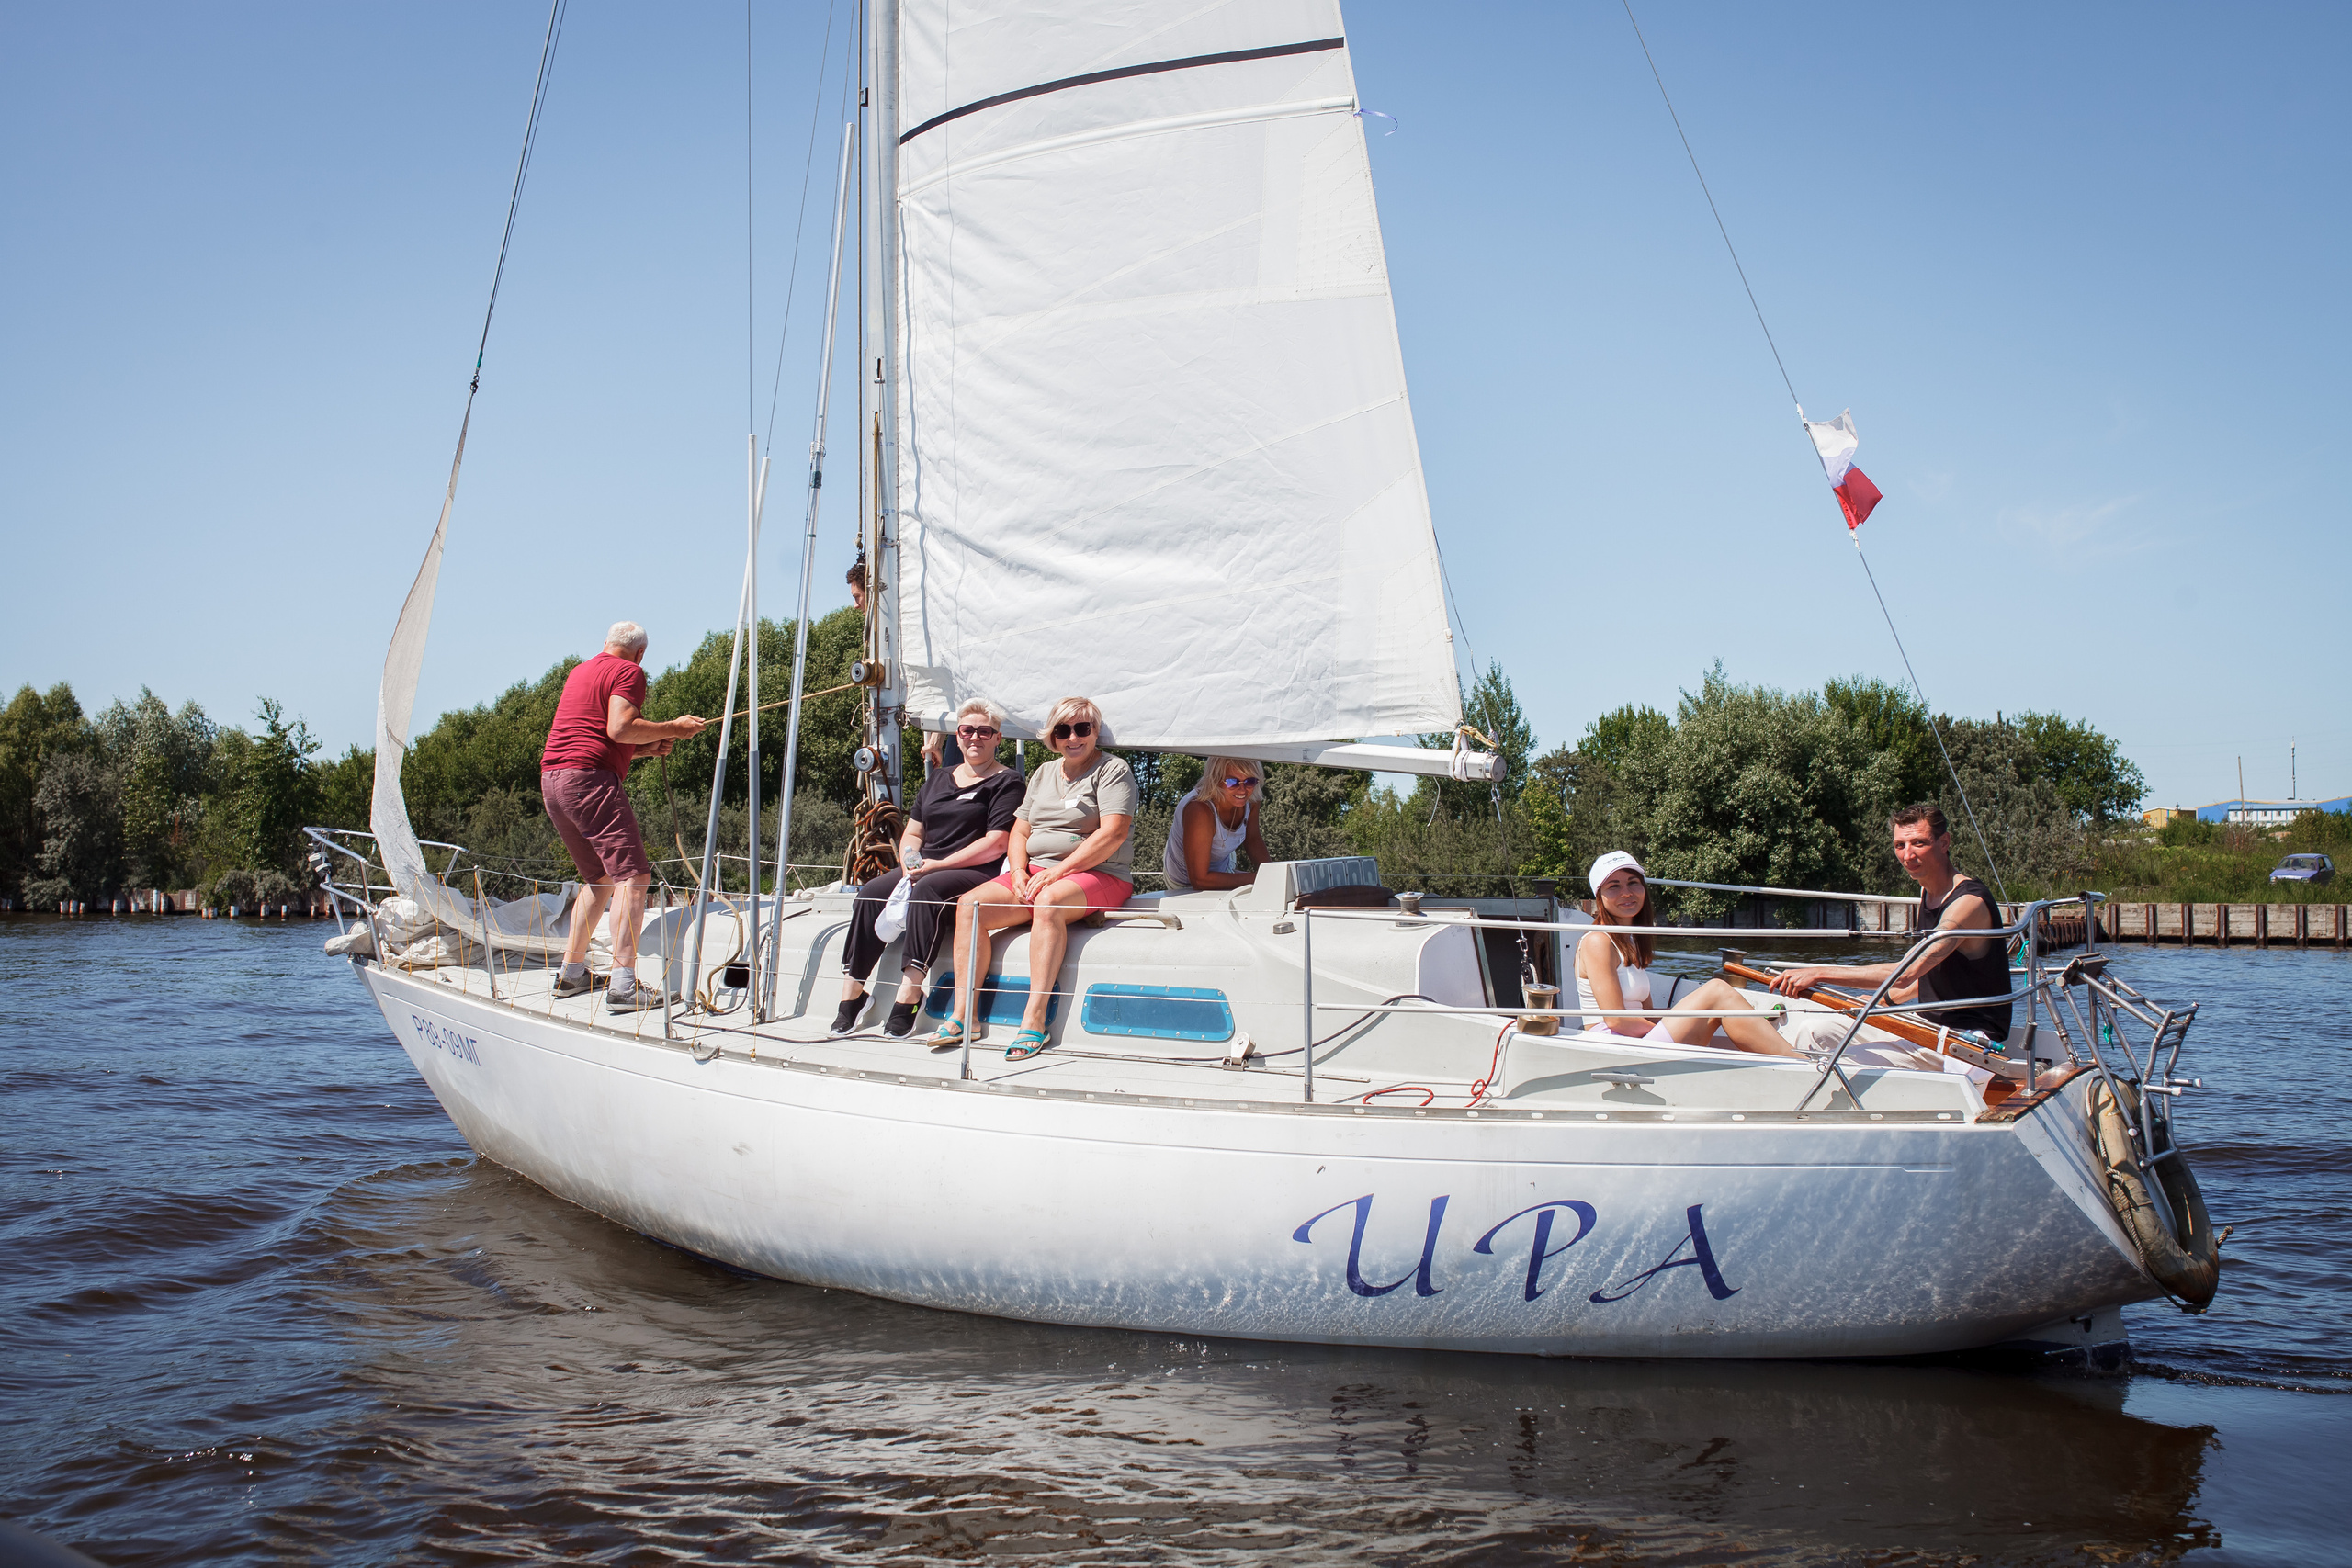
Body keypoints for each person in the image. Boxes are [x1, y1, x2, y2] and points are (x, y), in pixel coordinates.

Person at [934, 696, 1136, 1061]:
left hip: (1100, 873)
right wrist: (1018, 872)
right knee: (970, 905)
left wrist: (1059, 872)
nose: (1072, 738)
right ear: (1052, 736)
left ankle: (1034, 1020)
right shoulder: (1043, 773)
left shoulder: (1113, 770)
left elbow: (1114, 833)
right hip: (1038, 873)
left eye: (1082, 729)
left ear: (1095, 732)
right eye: (1063, 730)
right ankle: (966, 1016)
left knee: (1048, 902)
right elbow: (1019, 833)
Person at [831, 699, 1023, 1037]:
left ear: (998, 738)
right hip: (926, 864)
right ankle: (853, 992)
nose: (974, 738)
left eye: (984, 731)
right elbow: (914, 831)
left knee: (927, 890)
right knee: (870, 894)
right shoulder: (938, 778)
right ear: (958, 735)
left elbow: (996, 842)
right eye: (967, 731)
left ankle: (910, 991)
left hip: (975, 869)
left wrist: (938, 865)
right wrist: (909, 858)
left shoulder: (1008, 782)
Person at [540, 621, 707, 1011]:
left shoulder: (581, 671)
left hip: (553, 781)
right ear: (641, 653)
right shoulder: (629, 671)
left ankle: (571, 973)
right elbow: (619, 727)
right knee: (634, 877)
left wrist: (647, 748)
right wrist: (676, 729)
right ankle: (624, 984)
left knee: (598, 881)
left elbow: (594, 734)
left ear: (606, 644)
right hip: (588, 781)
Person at [1770, 804, 2013, 1042]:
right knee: (1817, 1028)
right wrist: (1886, 1000)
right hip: (1932, 1027)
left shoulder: (1968, 902)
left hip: (1970, 1040)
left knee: (1815, 1035)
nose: (1907, 855)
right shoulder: (1928, 894)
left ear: (1944, 842)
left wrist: (1817, 973)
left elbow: (1906, 973)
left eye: (1919, 843)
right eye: (1900, 845)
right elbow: (1935, 972)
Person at [1576, 851, 1799, 1056]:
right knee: (1717, 990)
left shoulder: (1630, 941)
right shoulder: (1598, 941)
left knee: (1737, 1045)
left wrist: (1690, 1023)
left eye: (1633, 883)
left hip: (1636, 1038)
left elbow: (1648, 1012)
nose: (1626, 893)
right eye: (1614, 886)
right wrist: (1673, 1028)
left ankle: (1795, 1061)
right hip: (1614, 1046)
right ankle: (1802, 1063)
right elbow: (1616, 1021)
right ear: (1600, 896)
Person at [1161, 755, 1272, 892]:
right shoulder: (1199, 809)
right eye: (1233, 782)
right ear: (1215, 780)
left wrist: (1271, 874)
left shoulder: (1251, 798)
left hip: (1222, 867)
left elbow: (1253, 839)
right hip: (1184, 880)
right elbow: (1199, 880)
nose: (1243, 790)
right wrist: (1260, 879)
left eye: (1250, 781)